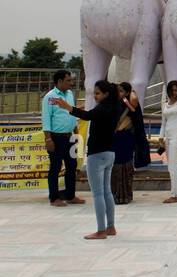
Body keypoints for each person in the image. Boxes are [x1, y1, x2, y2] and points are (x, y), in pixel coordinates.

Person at [50, 79, 124, 240]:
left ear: (106, 94)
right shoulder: (116, 107)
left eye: (97, 93)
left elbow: (87, 115)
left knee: (98, 193)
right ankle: (110, 227)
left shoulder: (103, 108)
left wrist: (67, 107)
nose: (95, 96)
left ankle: (101, 230)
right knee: (106, 191)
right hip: (110, 153)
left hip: (97, 154)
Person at [42, 69, 84, 208]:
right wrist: (48, 139)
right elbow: (46, 119)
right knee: (55, 167)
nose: (71, 83)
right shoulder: (50, 97)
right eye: (68, 80)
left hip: (70, 136)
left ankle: (70, 195)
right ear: (59, 81)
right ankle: (54, 198)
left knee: (71, 166)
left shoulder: (70, 94)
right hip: (56, 137)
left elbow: (71, 114)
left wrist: (76, 133)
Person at [111, 82, 148, 204]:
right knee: (115, 167)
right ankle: (115, 194)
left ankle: (125, 195)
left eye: (121, 91)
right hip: (116, 139)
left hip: (127, 138)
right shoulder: (115, 104)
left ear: (127, 92)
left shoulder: (132, 104)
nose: (119, 93)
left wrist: (131, 95)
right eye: (118, 91)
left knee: (126, 167)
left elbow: (136, 119)